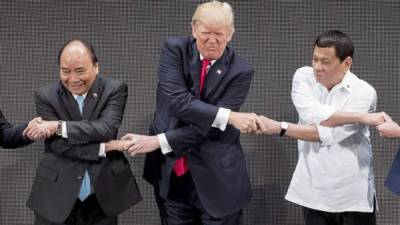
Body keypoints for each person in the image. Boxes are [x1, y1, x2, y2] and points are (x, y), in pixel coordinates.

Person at [121, 1, 257, 224]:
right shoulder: (174, 49)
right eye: (206, 33)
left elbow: (212, 129)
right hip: (172, 174)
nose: (212, 40)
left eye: (219, 34)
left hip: (217, 180)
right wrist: (230, 117)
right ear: (194, 29)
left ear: (231, 34)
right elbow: (178, 102)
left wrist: (159, 141)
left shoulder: (240, 71)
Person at [257, 30, 381, 225]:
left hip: (352, 195)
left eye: (325, 62)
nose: (317, 67)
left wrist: (280, 127)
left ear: (347, 63)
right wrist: (363, 117)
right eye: (315, 59)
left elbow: (328, 134)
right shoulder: (303, 76)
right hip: (312, 193)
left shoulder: (364, 92)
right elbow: (313, 115)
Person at [25, 39, 141, 225]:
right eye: (65, 71)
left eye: (80, 71)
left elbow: (106, 129)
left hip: (102, 195)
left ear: (96, 67)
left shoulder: (114, 89)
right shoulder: (45, 95)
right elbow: (59, 146)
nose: (73, 79)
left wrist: (58, 126)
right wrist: (106, 147)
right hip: (56, 195)